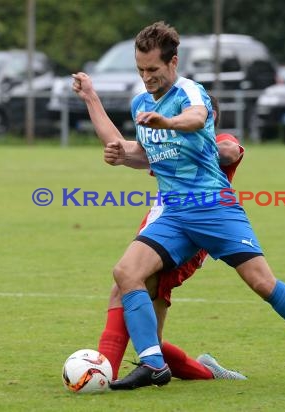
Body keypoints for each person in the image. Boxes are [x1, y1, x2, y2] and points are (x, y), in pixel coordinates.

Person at [73, 21, 285, 392]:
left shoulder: (189, 92)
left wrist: (169, 121)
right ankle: (153, 364)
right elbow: (136, 150)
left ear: (173, 63)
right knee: (126, 273)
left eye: (154, 71)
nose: (146, 78)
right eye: (140, 70)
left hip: (214, 207)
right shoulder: (141, 103)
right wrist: (102, 118)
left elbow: (193, 120)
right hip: (173, 213)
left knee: (262, 283)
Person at [98, 95, 247, 381]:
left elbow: (229, 151)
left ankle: (105, 374)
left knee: (135, 307)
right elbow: (122, 148)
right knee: (130, 299)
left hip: (191, 235)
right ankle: (105, 373)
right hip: (160, 226)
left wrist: (192, 143)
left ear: (209, 115)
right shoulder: (169, 148)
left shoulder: (215, 140)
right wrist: (91, 98)